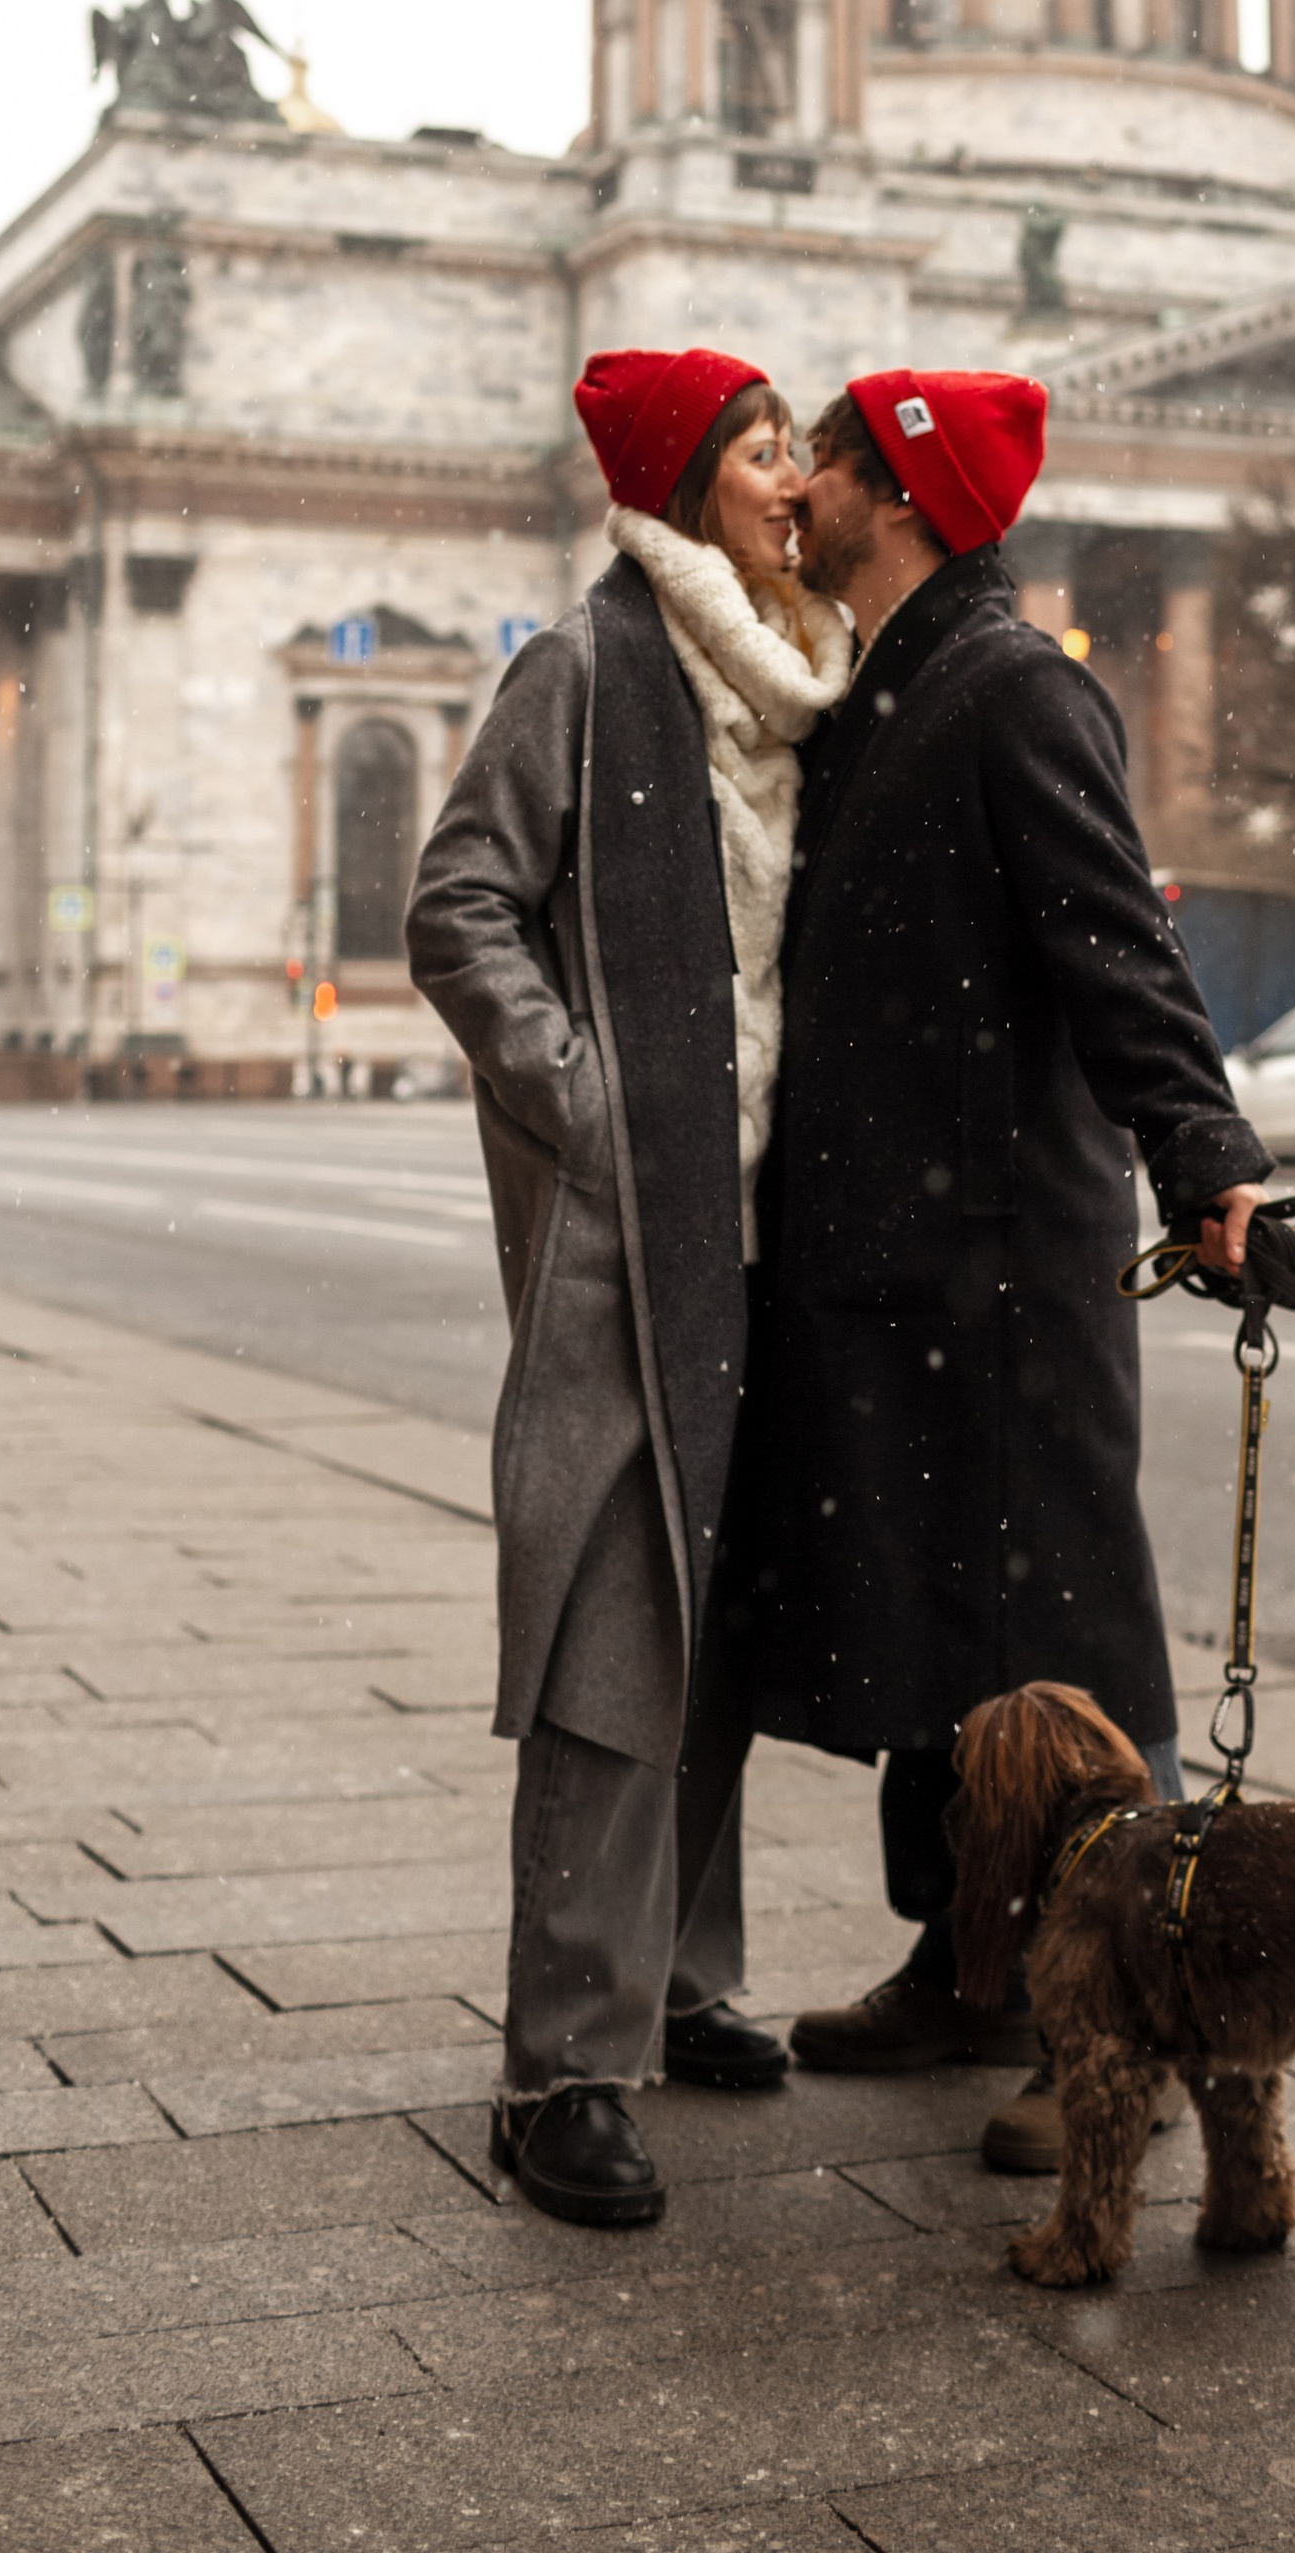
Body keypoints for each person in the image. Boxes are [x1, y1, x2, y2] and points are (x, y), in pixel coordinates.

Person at [728, 365, 1270, 2169]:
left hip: (1005, 1264)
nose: (796, 490)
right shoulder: (879, 686)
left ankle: (1133, 2015)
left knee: (1066, 1641)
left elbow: (1121, 947)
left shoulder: (1015, 685)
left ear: (902, 494)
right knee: (928, 1632)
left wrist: (1207, 1156)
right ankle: (970, 1964)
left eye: (824, 463)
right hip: (890, 1259)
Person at [406, 344, 850, 2227]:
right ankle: (562, 2072)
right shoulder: (586, 667)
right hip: (629, 1224)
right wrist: (580, 1097)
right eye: (761, 449)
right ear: (685, 485)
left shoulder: (801, 677)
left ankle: (676, 1974)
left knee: (719, 1616)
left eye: (796, 444)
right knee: (613, 1621)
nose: (796, 476)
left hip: (761, 1228)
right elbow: (457, 904)